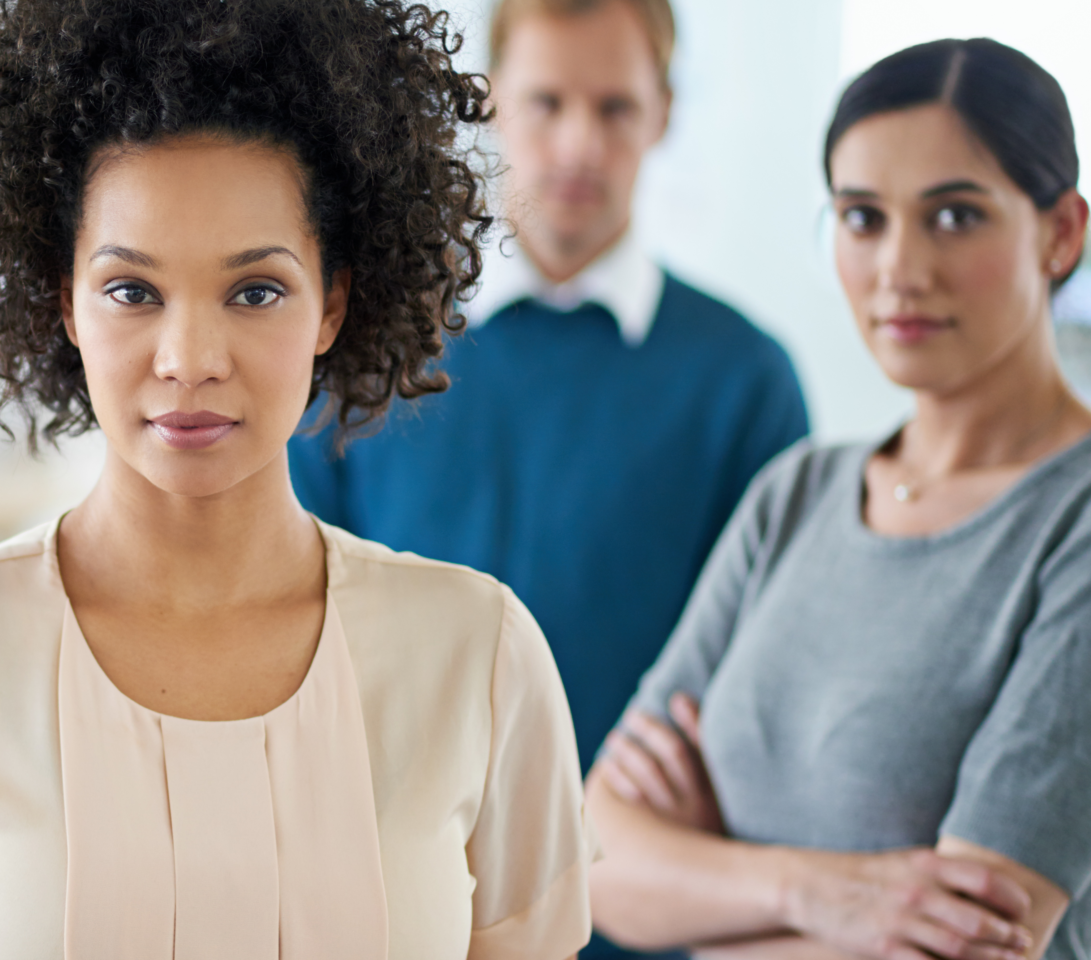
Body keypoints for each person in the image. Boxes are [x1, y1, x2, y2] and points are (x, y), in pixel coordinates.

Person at [0, 0, 596, 956]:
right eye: (132, 291)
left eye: (255, 291)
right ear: (64, 304)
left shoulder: (483, 660)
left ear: (334, 305)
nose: (189, 357)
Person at [589, 38, 1091, 960]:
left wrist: (701, 880)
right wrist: (826, 893)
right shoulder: (796, 493)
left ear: (1062, 233)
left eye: (955, 216)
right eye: (863, 218)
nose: (899, 268)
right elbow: (594, 861)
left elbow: (964, 945)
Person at [286, 0, 810, 812]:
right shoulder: (356, 344)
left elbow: (769, 671)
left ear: (664, 113)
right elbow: (284, 610)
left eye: (615, 107)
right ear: (490, 99)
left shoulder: (745, 381)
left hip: (634, 899)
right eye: (547, 102)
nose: (578, 145)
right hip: (384, 862)